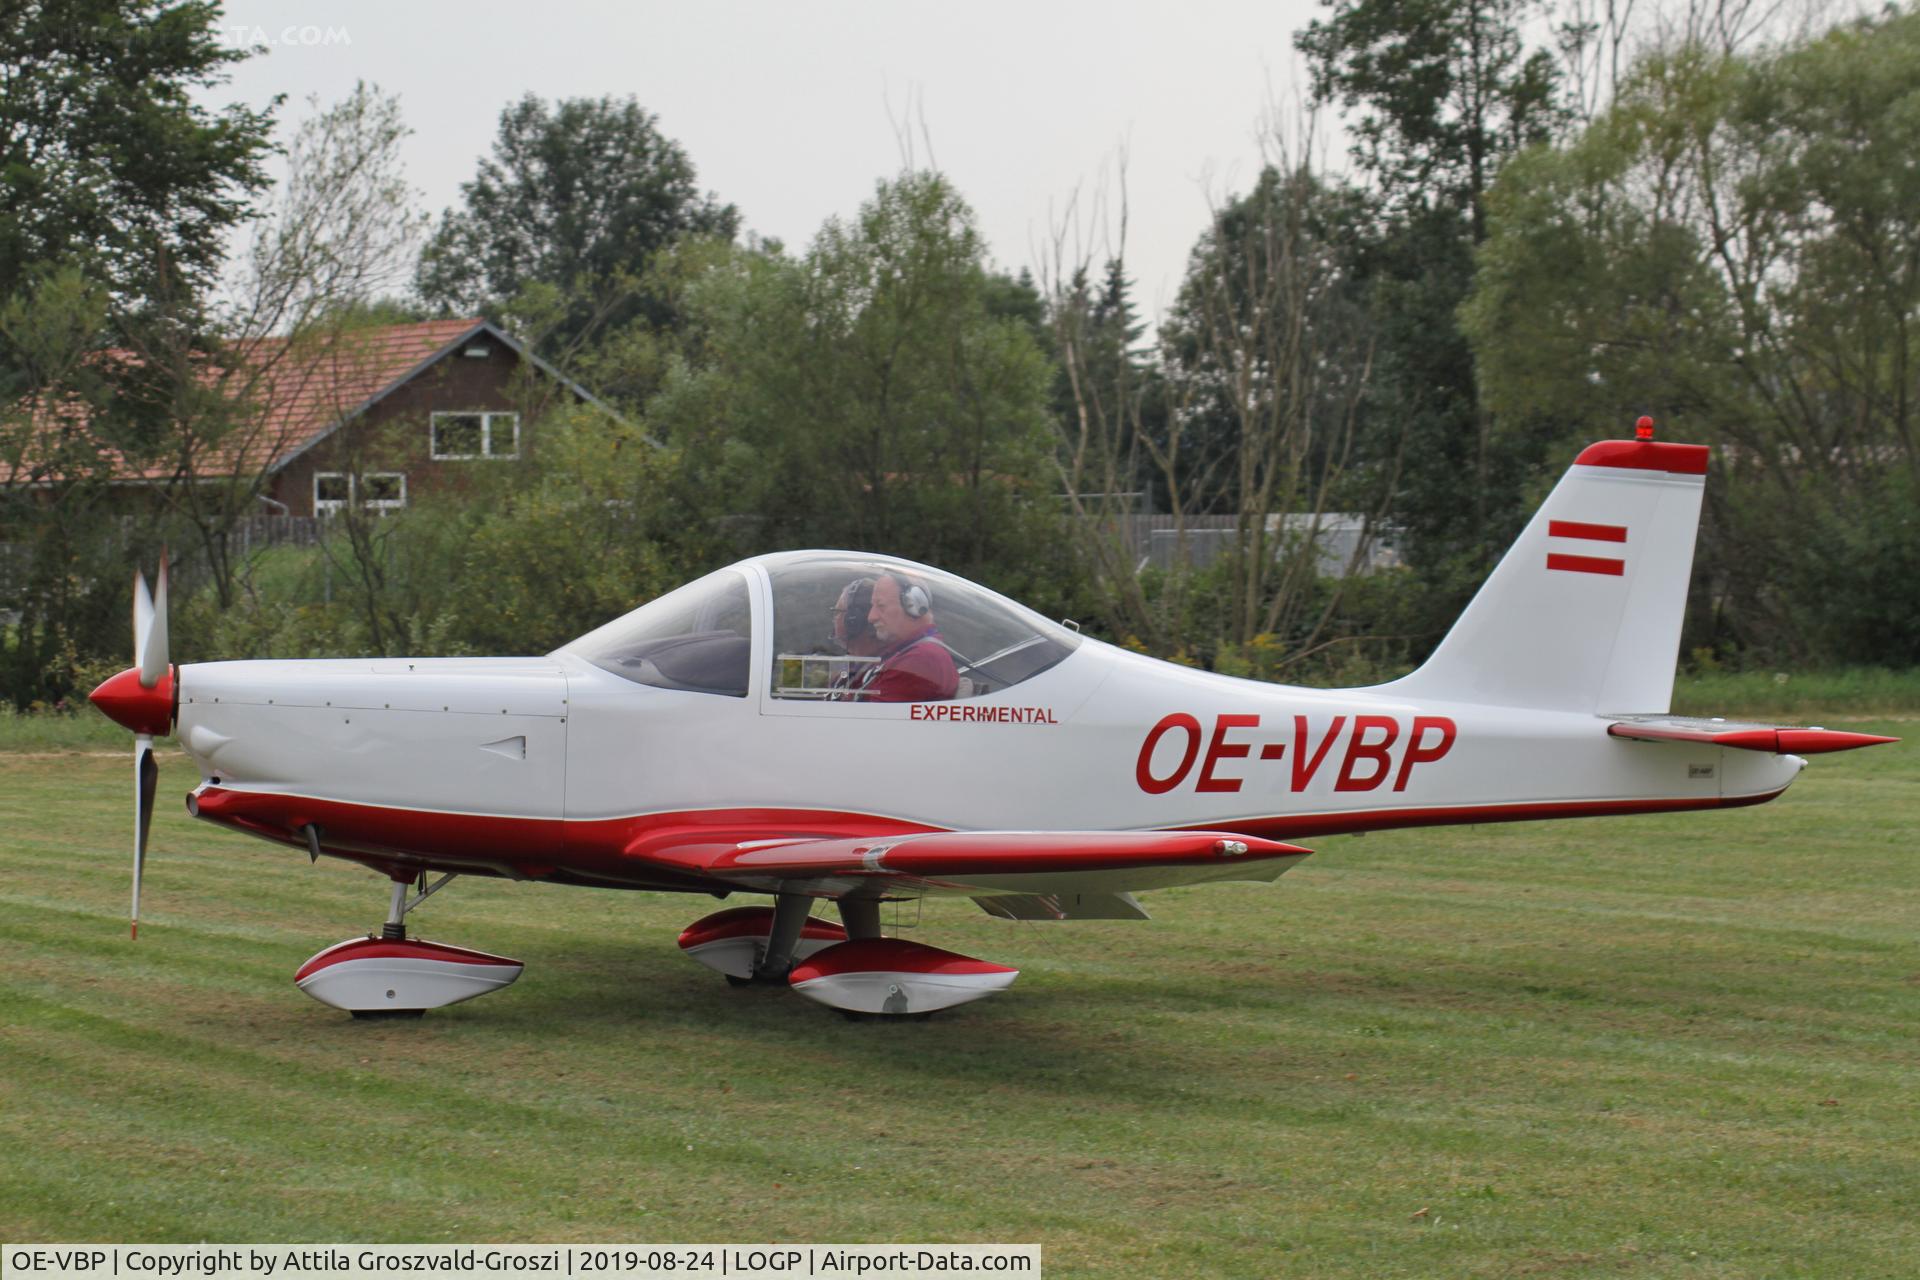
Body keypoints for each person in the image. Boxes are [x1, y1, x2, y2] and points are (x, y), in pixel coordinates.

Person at [855, 570, 958, 703]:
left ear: (913, 606)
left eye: (881, 606)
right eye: (872, 606)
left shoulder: (920, 659)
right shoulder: (904, 653)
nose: (871, 617)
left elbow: (871, 720)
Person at [826, 578, 881, 700]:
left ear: (854, 620)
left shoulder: (880, 672)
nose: (834, 619)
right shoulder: (849, 667)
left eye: (837, 612)